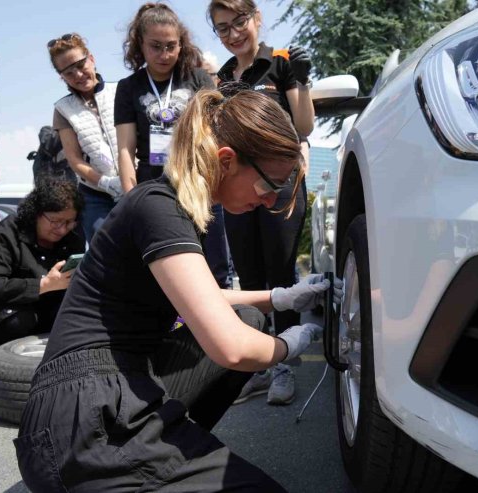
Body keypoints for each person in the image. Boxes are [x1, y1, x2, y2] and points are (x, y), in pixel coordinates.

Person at [14, 89, 331, 492]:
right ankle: (149, 468)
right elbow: (231, 348)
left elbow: (203, 302)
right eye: (270, 185)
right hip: (82, 421)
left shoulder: (172, 207)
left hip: (106, 395)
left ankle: (170, 449)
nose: (271, 200)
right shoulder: (159, 207)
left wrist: (277, 298)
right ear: (227, 161)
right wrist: (290, 344)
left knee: (249, 318)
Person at [209, 0, 316, 405]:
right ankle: (260, 365)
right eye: (222, 28)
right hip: (236, 188)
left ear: (256, 19)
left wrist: (303, 83)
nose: (233, 33)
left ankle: (285, 366)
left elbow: (304, 127)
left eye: (239, 22)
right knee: (250, 278)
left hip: (280, 183)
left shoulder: (281, 63)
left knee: (281, 276)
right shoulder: (220, 78)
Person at [115, 2, 232, 288]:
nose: (164, 55)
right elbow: (126, 149)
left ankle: (212, 330)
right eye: (155, 46)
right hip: (154, 188)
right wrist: (132, 200)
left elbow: (218, 132)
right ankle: (173, 330)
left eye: (171, 45)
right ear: (140, 45)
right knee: (163, 273)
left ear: (182, 44)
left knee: (213, 268)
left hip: (200, 186)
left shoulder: (199, 79)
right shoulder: (128, 87)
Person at [0, 179, 84, 375]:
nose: (62, 229)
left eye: (69, 222)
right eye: (55, 221)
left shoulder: (72, 239)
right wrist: (43, 285)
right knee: (20, 321)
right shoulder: (4, 235)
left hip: (44, 309)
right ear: (36, 213)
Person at [48, 33, 122, 241]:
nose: (79, 75)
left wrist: (129, 180)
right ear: (61, 76)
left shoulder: (121, 90)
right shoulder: (63, 109)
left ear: (91, 58)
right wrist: (107, 183)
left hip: (134, 184)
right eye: (69, 72)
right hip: (96, 193)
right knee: (104, 244)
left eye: (81, 65)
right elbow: (74, 159)